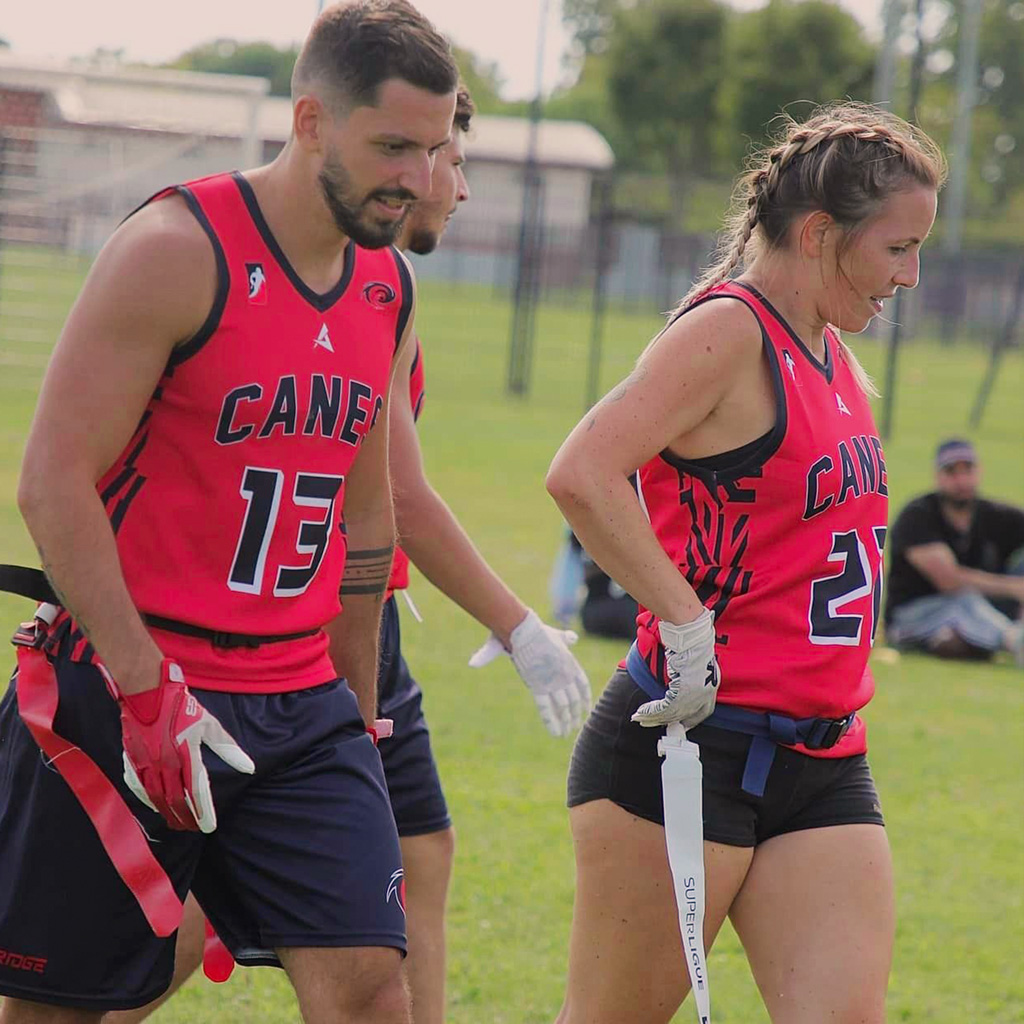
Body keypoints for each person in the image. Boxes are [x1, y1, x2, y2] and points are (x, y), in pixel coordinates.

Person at [0, 3, 460, 1022]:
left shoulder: (386, 282)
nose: (419, 180)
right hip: (131, 685)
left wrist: (358, 708)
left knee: (372, 989)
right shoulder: (175, 248)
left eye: (433, 150)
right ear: (309, 121)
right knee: (59, 1008)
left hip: (300, 703)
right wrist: (140, 684)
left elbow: (367, 520)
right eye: (392, 146)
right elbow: (51, 479)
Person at [103, 83, 589, 1024]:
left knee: (413, 868)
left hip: (345, 631)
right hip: (279, 631)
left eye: (447, 156)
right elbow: (399, 498)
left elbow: (379, 504)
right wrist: (517, 621)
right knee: (198, 905)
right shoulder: (250, 262)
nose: (452, 184)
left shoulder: (382, 290)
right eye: (450, 160)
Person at [545, 101, 945, 1024]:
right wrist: (683, 622)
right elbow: (583, 473)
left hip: (825, 752)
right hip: (694, 745)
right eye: (896, 247)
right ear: (818, 234)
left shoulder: (829, 345)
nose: (911, 275)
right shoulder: (728, 331)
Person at [885, 437, 1024, 664]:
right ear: (938, 476)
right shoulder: (917, 516)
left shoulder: (995, 515)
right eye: (951, 472)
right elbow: (949, 581)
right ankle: (1013, 640)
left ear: (978, 471)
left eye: (967, 470)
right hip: (915, 614)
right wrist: (1015, 588)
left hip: (980, 608)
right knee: (963, 603)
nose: (961, 480)